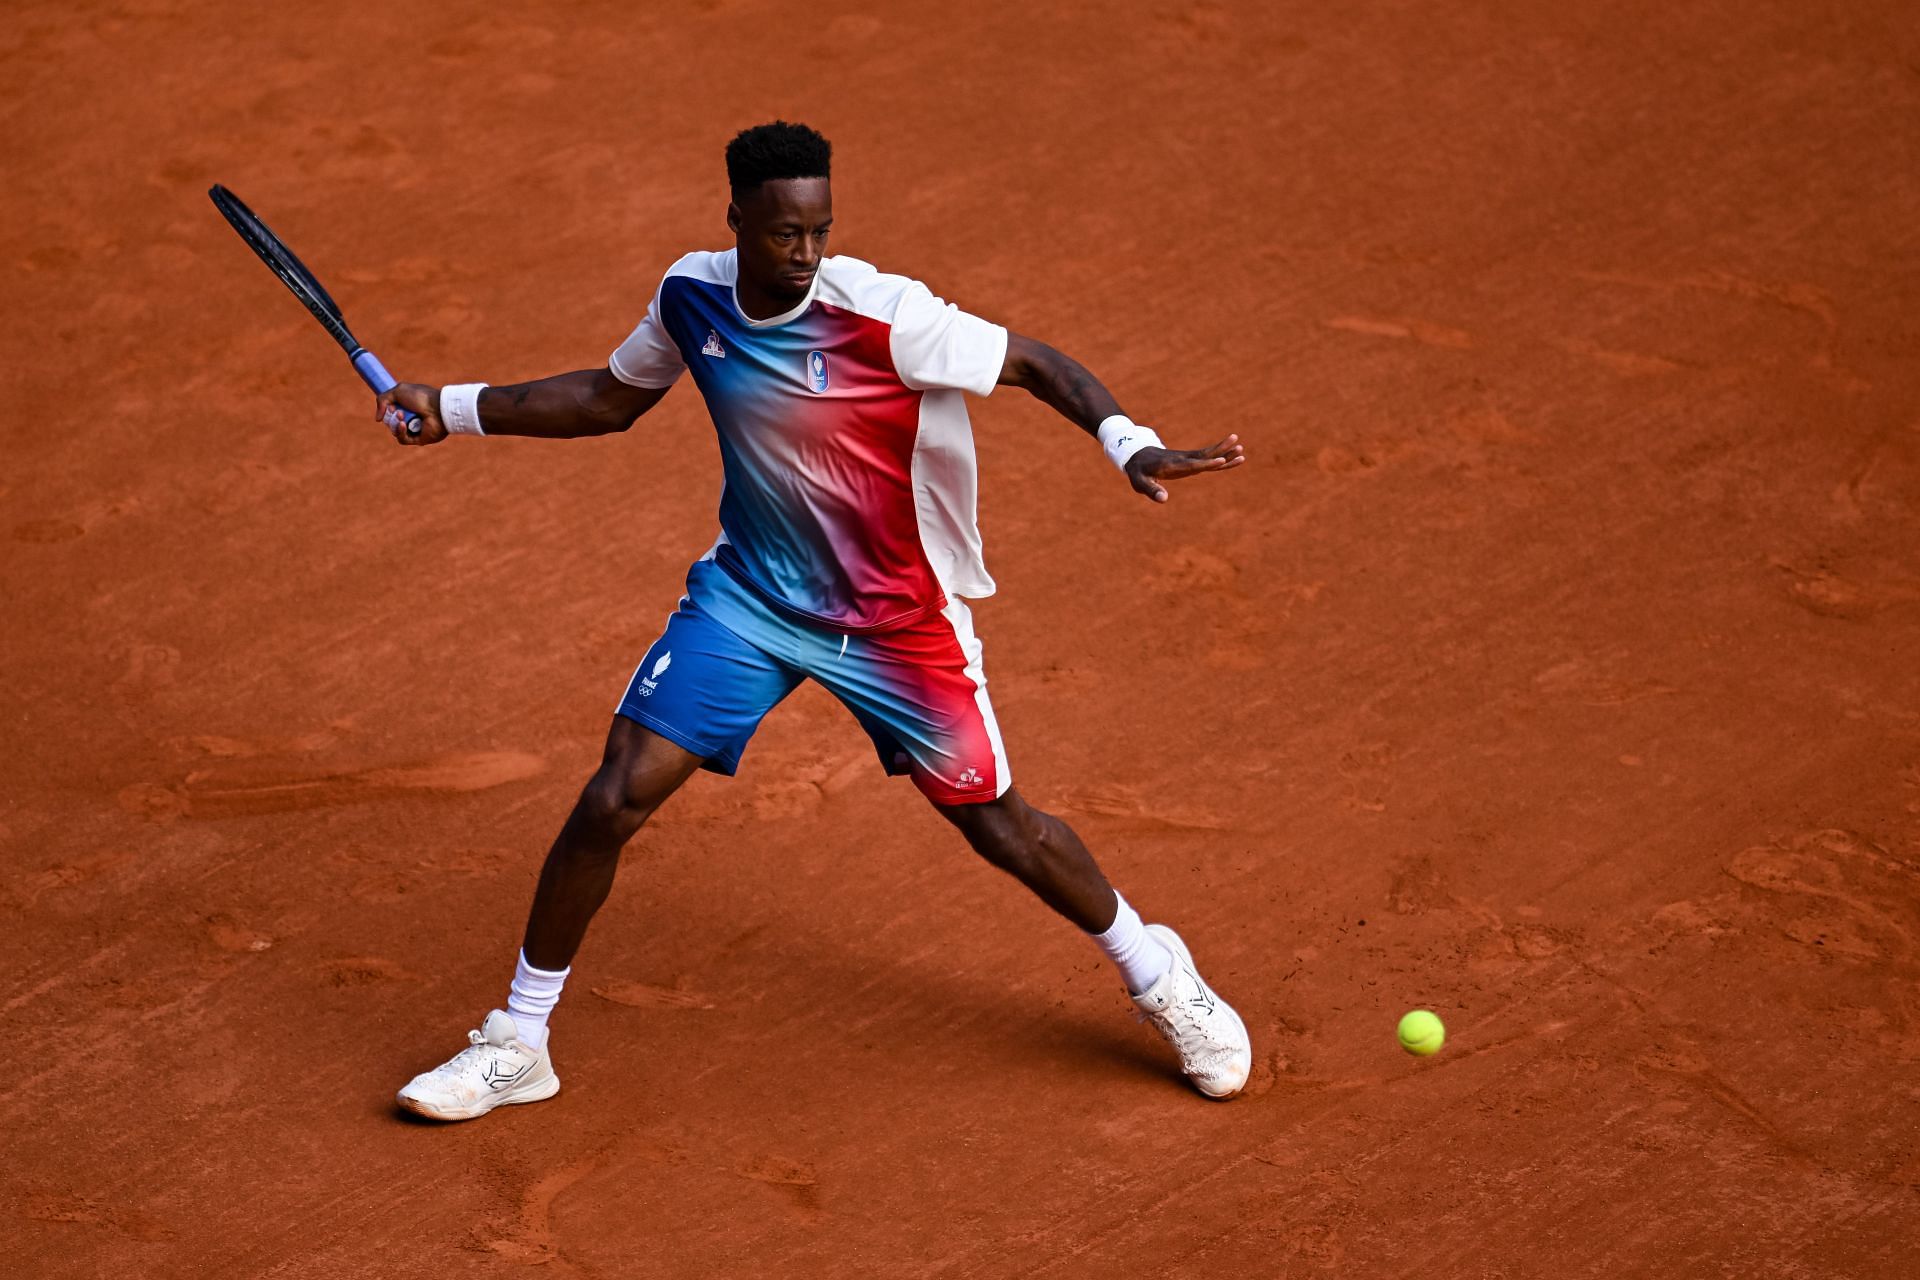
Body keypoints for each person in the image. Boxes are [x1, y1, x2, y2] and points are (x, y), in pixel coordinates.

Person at [383, 121, 1251, 1121]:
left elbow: (1034, 363)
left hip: (897, 620)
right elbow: (606, 397)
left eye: (820, 230)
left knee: (1001, 827)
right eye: (785, 232)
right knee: (617, 792)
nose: (805, 253)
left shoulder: (887, 316)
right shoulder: (692, 295)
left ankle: (1158, 975)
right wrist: (449, 406)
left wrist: (1128, 442)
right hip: (753, 597)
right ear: (738, 222)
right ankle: (519, 1038)